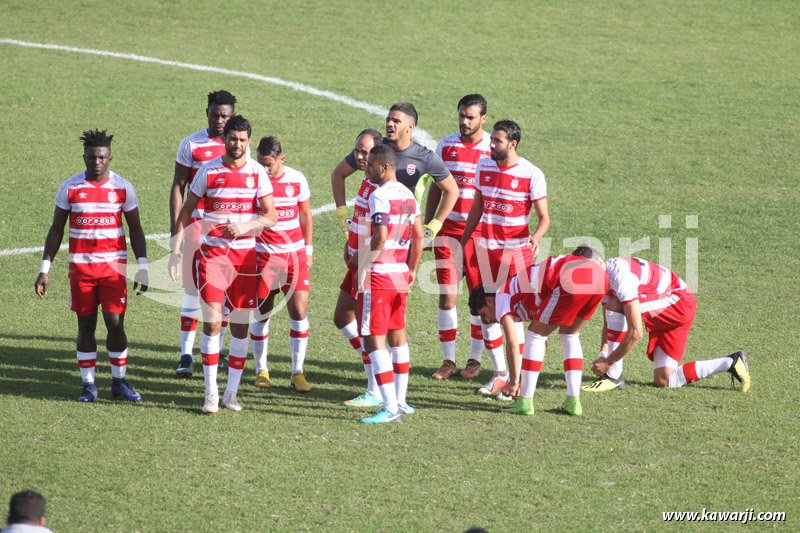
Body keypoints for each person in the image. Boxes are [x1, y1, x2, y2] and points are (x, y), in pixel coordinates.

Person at [169, 116, 277, 414]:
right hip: (213, 258)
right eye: (233, 139)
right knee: (214, 323)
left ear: (249, 142)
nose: (237, 144)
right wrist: (176, 250)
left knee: (240, 327)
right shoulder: (208, 170)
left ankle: (231, 393)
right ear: (225, 139)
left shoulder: (257, 173)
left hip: (245, 259)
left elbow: (271, 216)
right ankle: (210, 393)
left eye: (243, 140)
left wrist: (247, 226)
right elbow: (187, 210)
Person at [35, 129, 147, 403]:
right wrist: (44, 268)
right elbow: (56, 230)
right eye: (91, 157)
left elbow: (135, 229)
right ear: (84, 157)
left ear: (110, 159)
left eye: (101, 157)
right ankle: (89, 385)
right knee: (85, 326)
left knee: (115, 323)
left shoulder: (123, 188)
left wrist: (142, 265)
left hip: (113, 270)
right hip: (81, 271)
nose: (96, 162)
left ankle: (119, 382)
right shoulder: (71, 188)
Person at [459, 119, 551, 398]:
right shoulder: (484, 165)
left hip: (516, 254)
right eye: (492, 140)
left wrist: (535, 237)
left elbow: (544, 217)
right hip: (486, 251)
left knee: (513, 316)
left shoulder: (531, 173)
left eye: (497, 141)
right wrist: (463, 243)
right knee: (487, 310)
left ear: (512, 144)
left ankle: (516, 377)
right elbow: (478, 206)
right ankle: (500, 375)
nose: (491, 145)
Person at [468, 246, 608, 416]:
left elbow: (513, 344)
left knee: (535, 336)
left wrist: (513, 382)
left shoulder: (501, 296)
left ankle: (525, 402)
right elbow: (542, 344)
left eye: (484, 315)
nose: (489, 321)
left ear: (490, 301)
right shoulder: (520, 294)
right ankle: (573, 402)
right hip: (600, 277)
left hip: (569, 277)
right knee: (569, 335)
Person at [583, 256, 751, 392]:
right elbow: (609, 322)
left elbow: (636, 333)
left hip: (679, 304)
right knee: (665, 379)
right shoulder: (601, 279)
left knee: (616, 304)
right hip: (672, 307)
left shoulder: (620, 277)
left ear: (599, 263)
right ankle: (731, 362)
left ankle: (613, 377)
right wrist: (603, 353)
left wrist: (609, 363)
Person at [428, 94, 504, 382]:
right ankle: (448, 361)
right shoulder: (446, 145)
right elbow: (438, 185)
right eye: (461, 115)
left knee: (479, 300)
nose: (464, 121)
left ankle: (474, 360)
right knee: (447, 296)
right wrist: (430, 224)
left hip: (481, 235)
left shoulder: (492, 149)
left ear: (483, 119)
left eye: (470, 116)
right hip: (448, 232)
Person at [170, 90, 242, 378]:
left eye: (225, 115)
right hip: (196, 228)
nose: (220, 120)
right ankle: (186, 354)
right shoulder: (192, 144)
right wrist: (177, 229)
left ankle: (217, 350)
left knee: (223, 294)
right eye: (215, 115)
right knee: (190, 291)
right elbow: (179, 187)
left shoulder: (239, 146)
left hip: (228, 236)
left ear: (233, 115)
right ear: (207, 113)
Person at [354, 144, 424, 423]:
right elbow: (419, 236)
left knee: (373, 339)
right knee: (398, 335)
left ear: (384, 167)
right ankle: (402, 402)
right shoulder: (408, 194)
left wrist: (364, 265)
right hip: (399, 273)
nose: (367, 168)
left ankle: (389, 407)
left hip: (381, 274)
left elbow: (380, 236)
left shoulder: (379, 195)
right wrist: (413, 269)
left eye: (371, 165)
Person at [331, 102, 458, 244]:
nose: (389, 124)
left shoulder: (425, 158)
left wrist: (434, 227)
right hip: (367, 230)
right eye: (388, 120)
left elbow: (452, 190)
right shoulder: (374, 148)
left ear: (411, 126)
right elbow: (338, 174)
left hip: (401, 235)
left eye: (396, 121)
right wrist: (342, 216)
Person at [250, 136, 314, 392]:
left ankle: (297, 371)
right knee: (262, 313)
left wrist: (308, 250)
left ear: (280, 159)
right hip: (264, 257)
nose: (264, 169)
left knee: (298, 312)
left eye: (269, 164)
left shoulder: (296, 179)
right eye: (260, 163)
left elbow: (306, 215)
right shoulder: (253, 180)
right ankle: (261, 369)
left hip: (294, 257)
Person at [331, 129, 386, 407]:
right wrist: (349, 241)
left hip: (370, 267)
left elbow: (382, 236)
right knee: (343, 318)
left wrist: (361, 256)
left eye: (365, 152)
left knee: (370, 329)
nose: (360, 157)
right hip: (357, 261)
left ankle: (376, 388)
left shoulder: (381, 188)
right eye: (357, 151)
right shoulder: (367, 182)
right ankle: (374, 369)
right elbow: (363, 222)